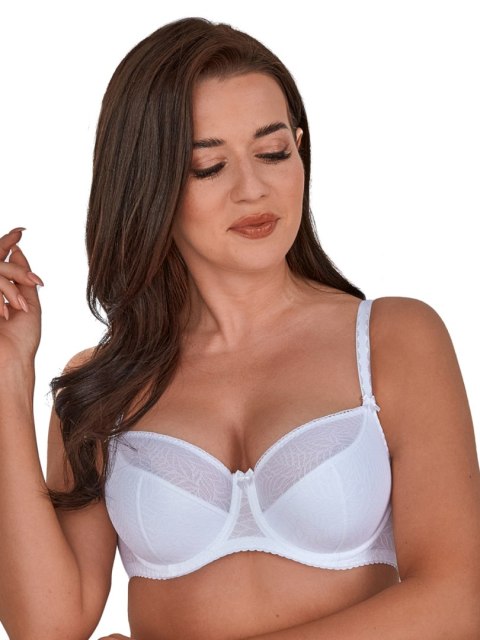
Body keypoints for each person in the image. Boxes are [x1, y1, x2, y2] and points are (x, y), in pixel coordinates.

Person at [1, 15, 479, 640]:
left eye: (273, 152)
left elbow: (458, 601)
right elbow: (47, 626)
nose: (253, 189)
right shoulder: (102, 387)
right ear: (148, 184)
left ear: (300, 149)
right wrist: (9, 377)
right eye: (209, 166)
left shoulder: (393, 339)